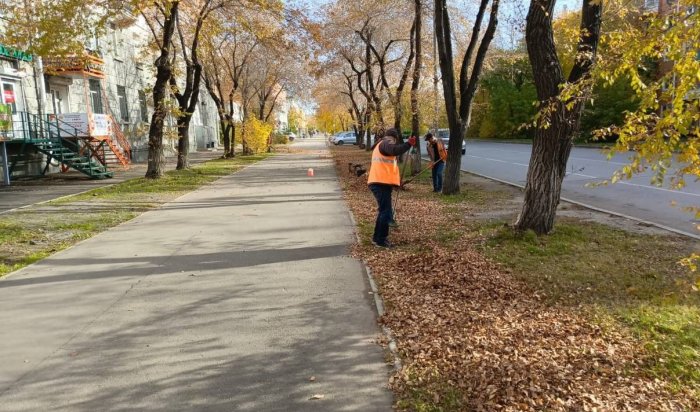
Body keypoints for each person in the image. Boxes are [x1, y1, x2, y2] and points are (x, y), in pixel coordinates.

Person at [367, 128, 417, 248]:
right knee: (386, 212)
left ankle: (377, 238)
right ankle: (381, 240)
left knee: (383, 211)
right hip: (380, 183)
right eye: (395, 140)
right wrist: (408, 144)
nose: (394, 143)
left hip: (381, 183)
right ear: (393, 138)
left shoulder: (382, 145)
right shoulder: (385, 143)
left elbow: (387, 168)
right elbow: (395, 150)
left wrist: (396, 183)